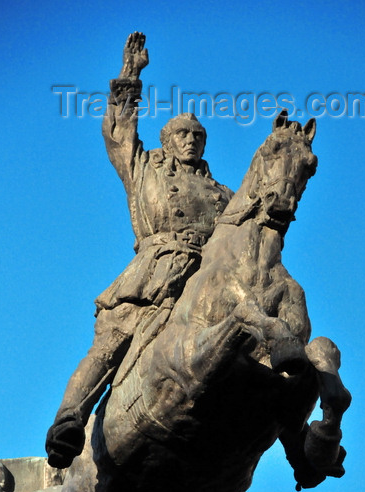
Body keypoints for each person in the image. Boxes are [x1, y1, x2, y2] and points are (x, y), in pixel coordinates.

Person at [46, 32, 233, 468]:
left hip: (205, 276)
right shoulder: (143, 167)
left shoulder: (224, 193)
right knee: (112, 341)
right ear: (167, 141)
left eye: (198, 134)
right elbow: (117, 130)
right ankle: (69, 419)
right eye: (182, 133)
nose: (191, 140)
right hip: (154, 271)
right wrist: (131, 73)